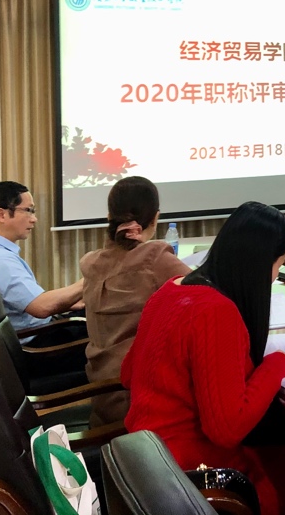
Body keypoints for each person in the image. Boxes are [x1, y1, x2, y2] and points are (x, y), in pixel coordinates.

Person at [121, 202, 285, 515]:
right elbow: (227, 430)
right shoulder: (216, 312)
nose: (273, 277)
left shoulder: (170, 290)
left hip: (145, 456)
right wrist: (277, 366)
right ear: (261, 263)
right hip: (186, 472)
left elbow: (128, 373)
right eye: (278, 265)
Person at [79, 176, 189, 425]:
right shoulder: (153, 257)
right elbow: (210, 294)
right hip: (138, 401)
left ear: (110, 217)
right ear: (156, 218)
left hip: (103, 398)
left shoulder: (92, 262)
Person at [0, 181, 85, 349]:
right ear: (1, 215)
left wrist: (69, 302)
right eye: (28, 210)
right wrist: (91, 279)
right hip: (36, 343)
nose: (34, 219)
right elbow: (41, 307)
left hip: (36, 330)